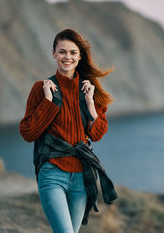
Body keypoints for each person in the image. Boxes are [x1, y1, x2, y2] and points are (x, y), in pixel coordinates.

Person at [19, 28, 115, 233]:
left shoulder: (89, 89)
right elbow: (28, 133)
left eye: (72, 52)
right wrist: (48, 102)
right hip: (52, 174)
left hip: (82, 177)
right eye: (62, 52)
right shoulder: (40, 88)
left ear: (80, 56)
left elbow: (97, 134)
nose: (67, 57)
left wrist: (90, 104)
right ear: (53, 53)